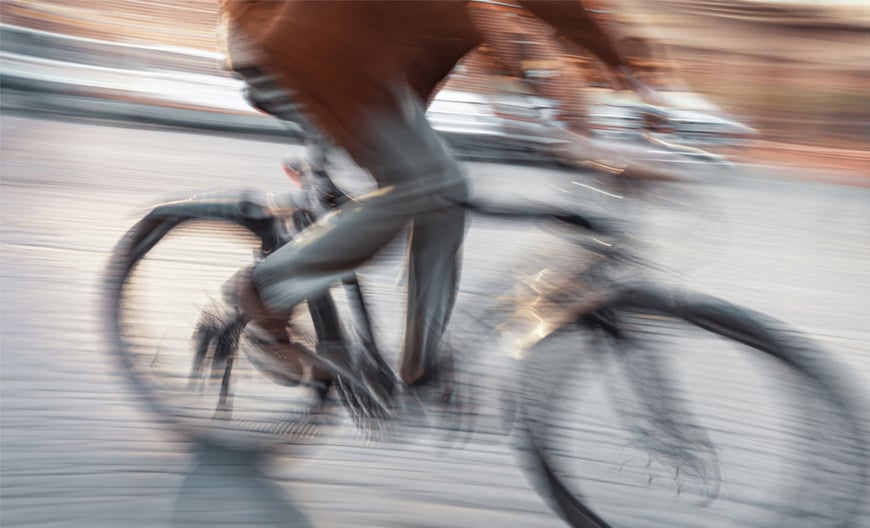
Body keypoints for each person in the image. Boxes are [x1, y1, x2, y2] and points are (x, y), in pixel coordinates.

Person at [217, 0, 651, 393]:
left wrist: (627, 83)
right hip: (293, 44)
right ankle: (264, 291)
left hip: (355, 58)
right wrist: (600, 103)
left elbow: (542, 46)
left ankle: (419, 364)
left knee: (445, 192)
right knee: (429, 183)